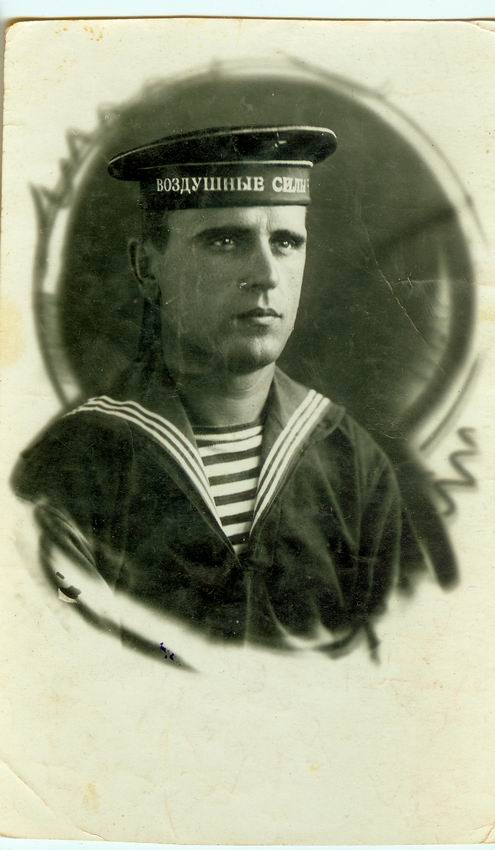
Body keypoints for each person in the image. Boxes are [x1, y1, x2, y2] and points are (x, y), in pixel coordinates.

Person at [13, 125, 402, 663]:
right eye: (225, 241)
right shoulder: (74, 467)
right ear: (147, 268)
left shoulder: (352, 461)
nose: (266, 275)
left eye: (286, 242)